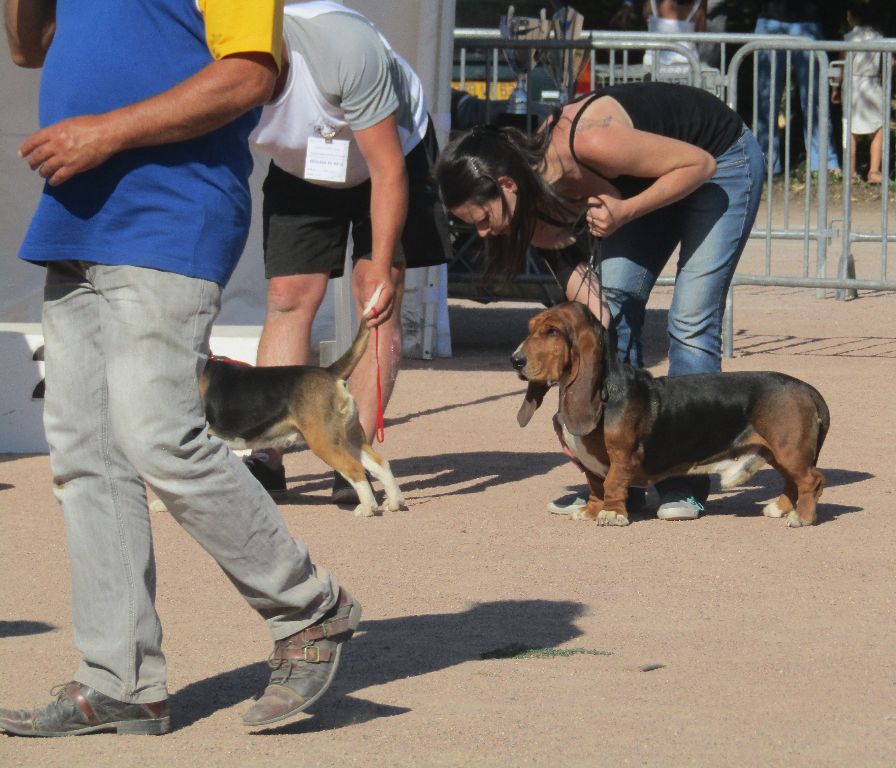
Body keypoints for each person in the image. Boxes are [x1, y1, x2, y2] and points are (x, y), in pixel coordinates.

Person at [1, 0, 359, 736]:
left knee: (158, 432)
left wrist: (104, 133)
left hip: (170, 211)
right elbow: (28, 48)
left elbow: (248, 75)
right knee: (84, 458)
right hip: (76, 215)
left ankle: (309, 608)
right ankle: (120, 682)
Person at [436, 81, 765, 520]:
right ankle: (619, 482)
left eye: (482, 219)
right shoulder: (531, 211)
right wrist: (594, 332)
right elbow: (597, 313)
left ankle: (686, 480)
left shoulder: (588, 137)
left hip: (718, 164)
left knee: (690, 321)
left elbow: (699, 164)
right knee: (616, 310)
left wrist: (626, 212)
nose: (482, 234)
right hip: (646, 182)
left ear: (507, 184)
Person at [245, 1, 449, 504]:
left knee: (376, 296)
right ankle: (266, 457)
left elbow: (386, 172)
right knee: (289, 293)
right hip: (304, 163)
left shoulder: (345, 51)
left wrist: (381, 263)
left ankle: (351, 449)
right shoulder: (208, 68)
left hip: (391, 154)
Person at [755, 0, 842, 177]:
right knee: (765, 100)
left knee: (815, 100)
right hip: (771, 22)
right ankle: (764, 162)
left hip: (807, 22)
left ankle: (824, 163)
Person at [832, 1, 885, 183]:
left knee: (850, 129)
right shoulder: (879, 38)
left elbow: (840, 65)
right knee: (879, 129)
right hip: (874, 85)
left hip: (853, 85)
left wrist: (835, 88)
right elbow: (891, 63)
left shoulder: (848, 39)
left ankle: (850, 172)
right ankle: (874, 171)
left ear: (853, 18)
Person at [642, 0, 704, 81]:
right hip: (686, 67)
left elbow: (646, 21)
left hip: (653, 66)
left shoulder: (651, 4)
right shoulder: (697, 6)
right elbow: (701, 32)